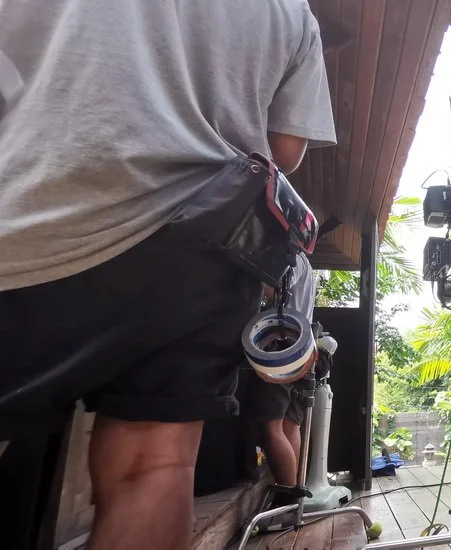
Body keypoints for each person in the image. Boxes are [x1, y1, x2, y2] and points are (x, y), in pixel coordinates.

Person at [0, 1, 336, 548]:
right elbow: (285, 148)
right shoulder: (291, 11)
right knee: (152, 467)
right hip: (201, 242)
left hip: (37, 209)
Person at [249, 253, 316, 496]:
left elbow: (276, 290)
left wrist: (248, 273)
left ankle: (287, 494)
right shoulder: (304, 262)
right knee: (289, 424)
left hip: (282, 347)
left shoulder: (292, 257)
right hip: (300, 347)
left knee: (272, 427)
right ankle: (294, 494)